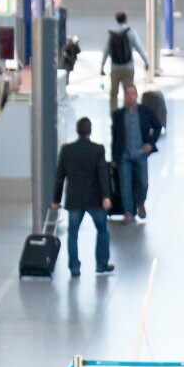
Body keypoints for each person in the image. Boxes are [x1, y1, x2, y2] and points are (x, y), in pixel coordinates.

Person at [52, 116, 114, 279]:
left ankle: (74, 267)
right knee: (102, 230)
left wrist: (56, 200)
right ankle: (101, 264)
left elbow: (60, 177)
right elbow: (103, 175)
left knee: (73, 233)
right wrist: (106, 196)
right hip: (95, 199)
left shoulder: (66, 150)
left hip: (74, 200)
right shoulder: (98, 149)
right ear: (90, 130)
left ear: (77, 131)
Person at [109, 84, 153, 223]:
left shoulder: (144, 111)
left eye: (133, 93)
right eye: (127, 93)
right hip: (124, 156)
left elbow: (157, 126)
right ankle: (128, 211)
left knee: (143, 182)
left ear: (136, 95)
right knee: (125, 184)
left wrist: (150, 143)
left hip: (140, 153)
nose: (130, 96)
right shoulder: (118, 115)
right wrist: (114, 157)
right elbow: (115, 138)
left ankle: (140, 203)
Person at [101, 11, 148, 110]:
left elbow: (106, 51)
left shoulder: (111, 33)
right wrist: (146, 61)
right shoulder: (130, 32)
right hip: (128, 67)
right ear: (126, 19)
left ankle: (114, 113)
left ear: (116, 19)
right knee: (128, 92)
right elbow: (139, 47)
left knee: (114, 93)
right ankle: (128, 112)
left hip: (115, 68)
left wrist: (102, 66)